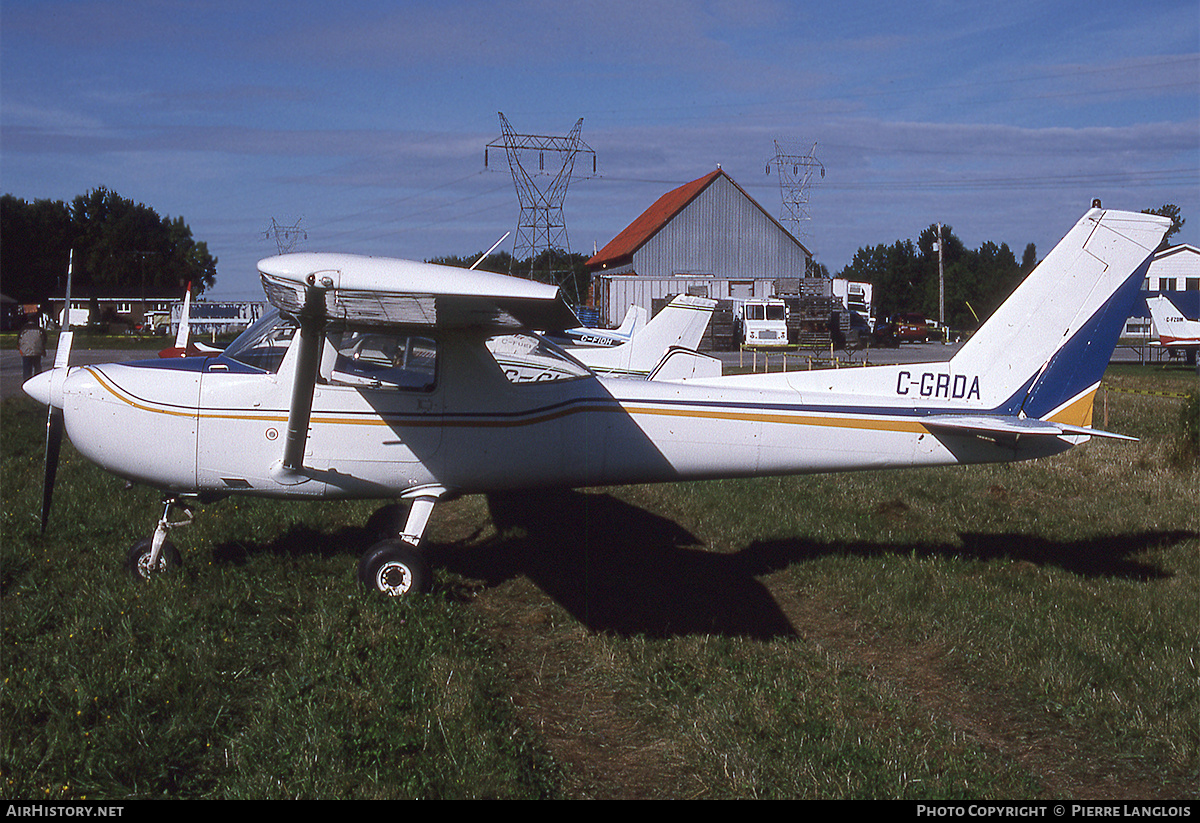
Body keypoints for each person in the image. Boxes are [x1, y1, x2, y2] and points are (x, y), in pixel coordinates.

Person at [18, 313, 47, 381]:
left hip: (26, 352)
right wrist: (42, 349)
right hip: (37, 351)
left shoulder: (23, 329)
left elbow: (18, 341)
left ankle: (26, 381)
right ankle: (37, 381)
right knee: (37, 368)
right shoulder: (39, 329)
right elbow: (44, 340)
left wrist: (20, 349)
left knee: (27, 369)